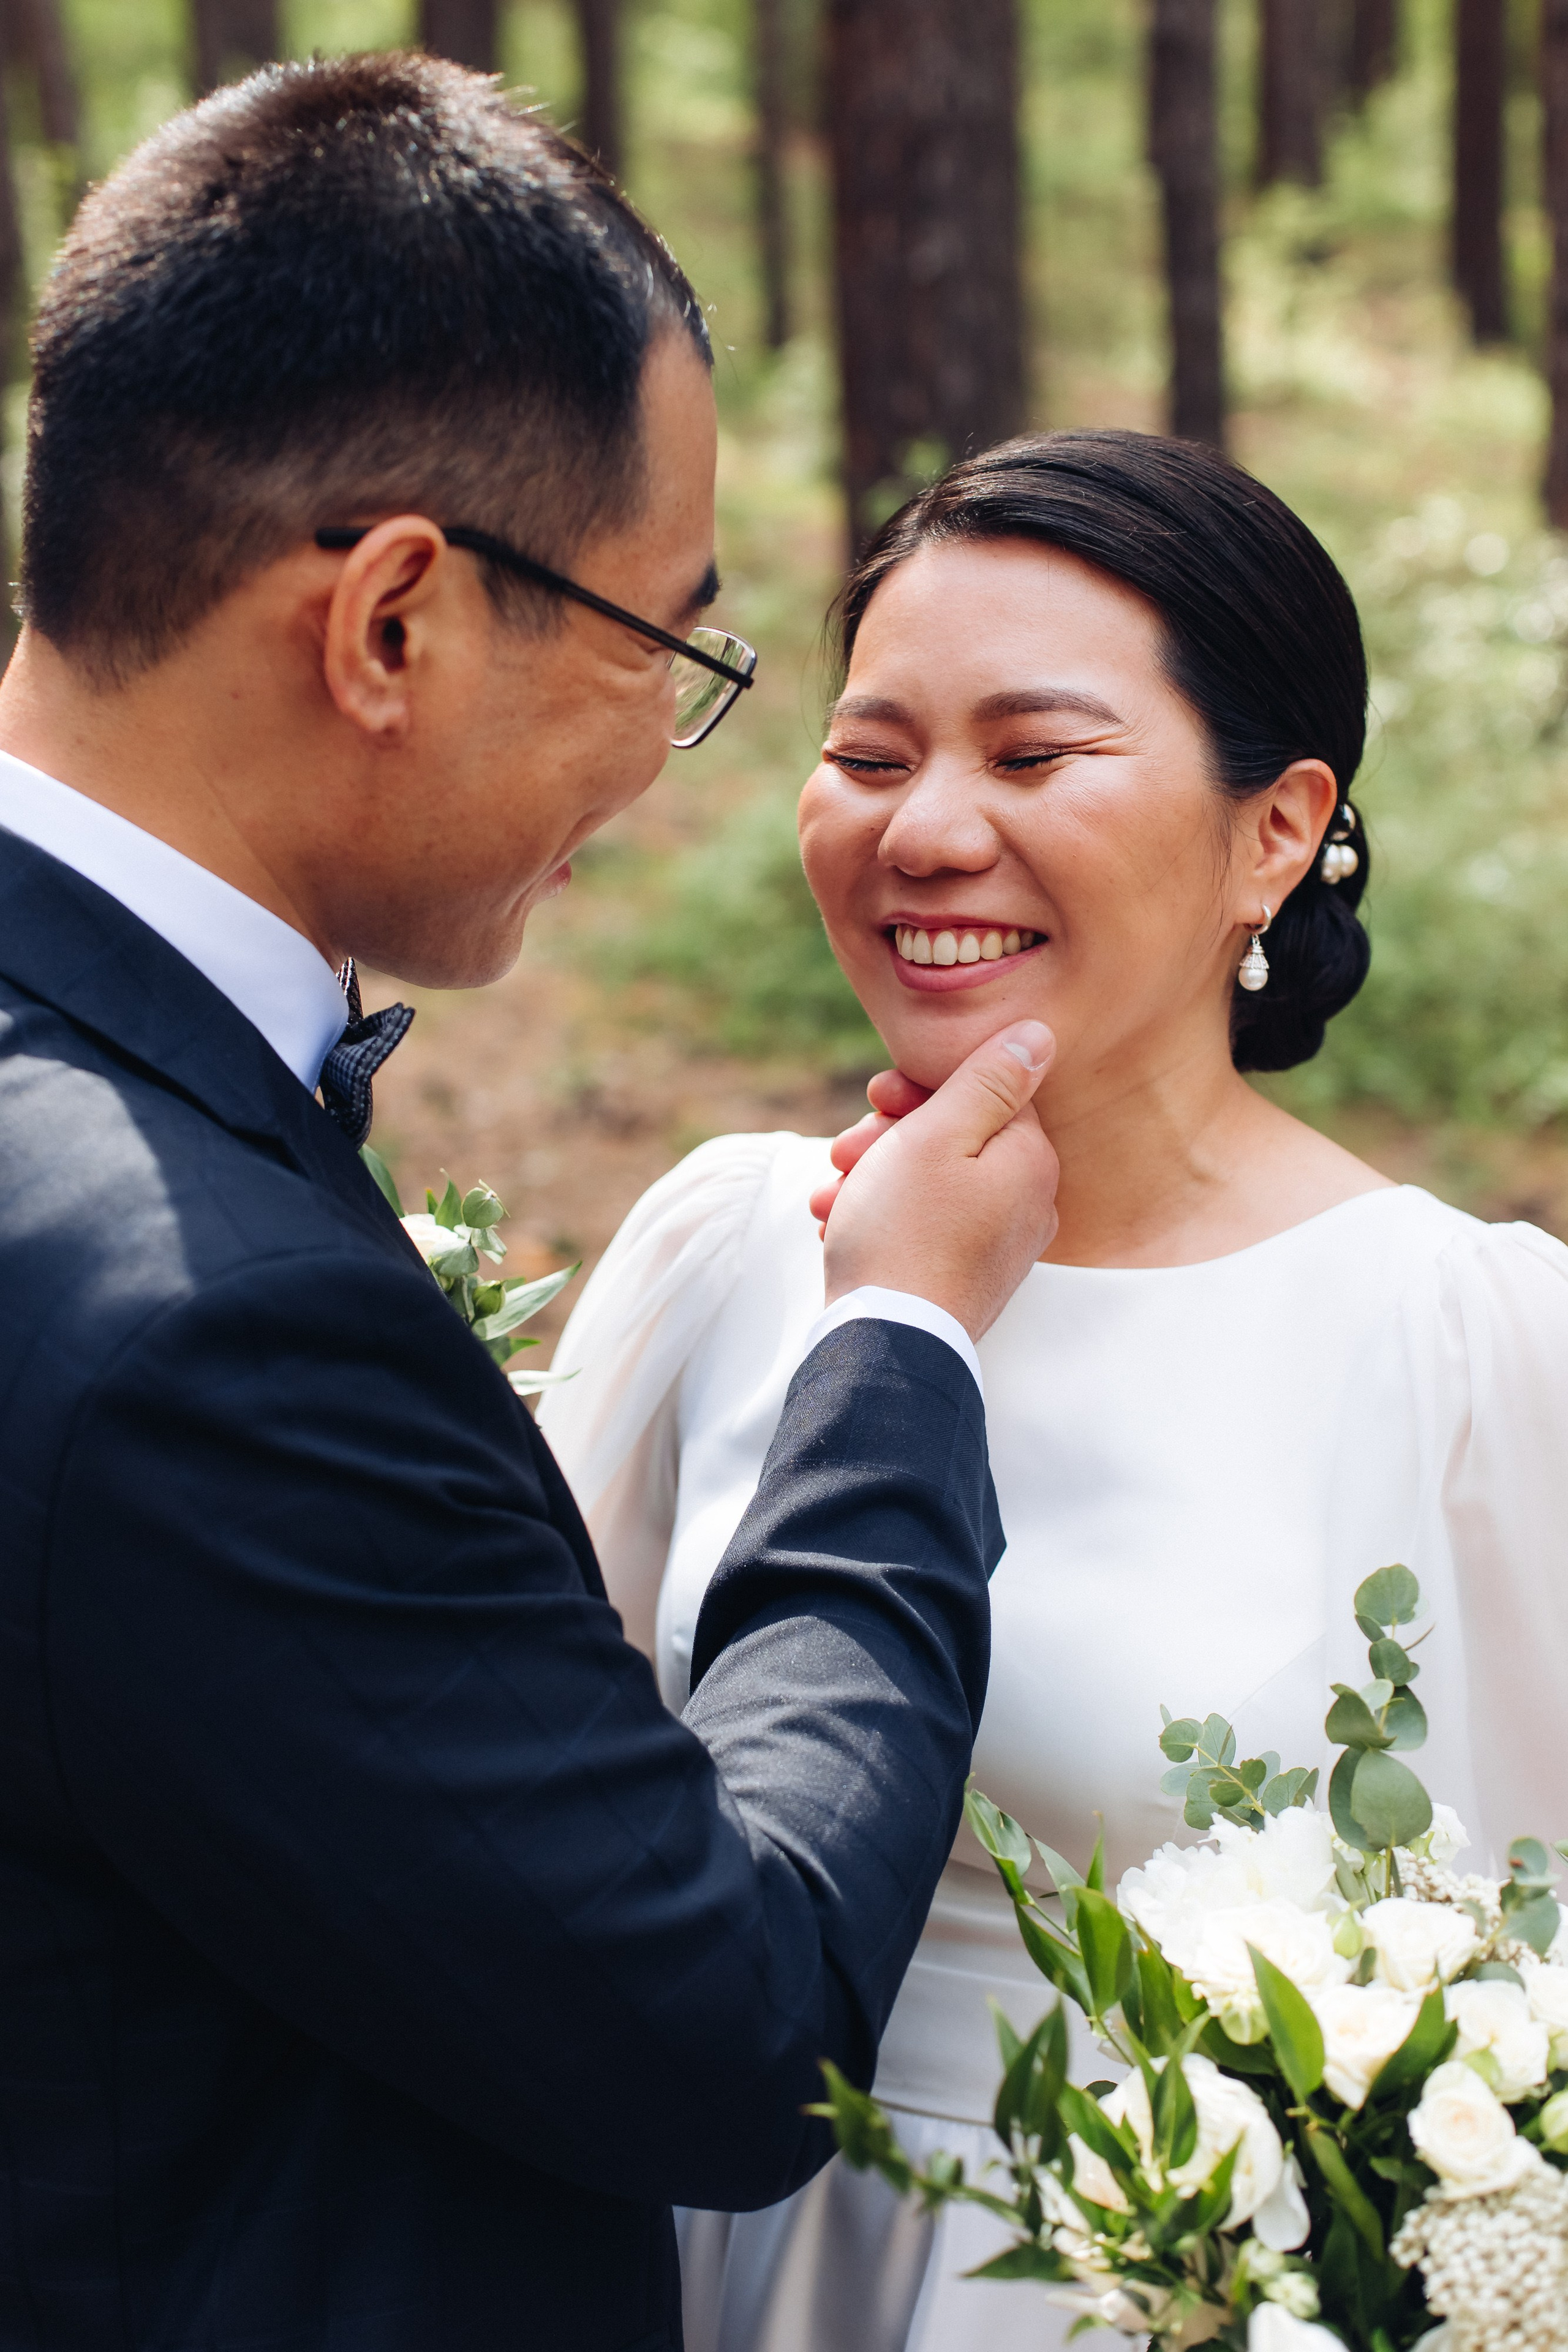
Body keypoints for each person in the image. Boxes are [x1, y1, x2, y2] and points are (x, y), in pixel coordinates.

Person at [0, 55, 1061, 2352]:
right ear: (394, 621)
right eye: (669, 653)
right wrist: (897, 1357)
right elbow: (727, 2012)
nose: (674, 778)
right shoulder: (206, 1324)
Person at [540, 428, 1568, 2352]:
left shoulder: (1469, 1342)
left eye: (1033, 756)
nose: (922, 830)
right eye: (867, 756)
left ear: (1279, 826)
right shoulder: (728, 1252)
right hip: (705, 2269)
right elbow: (526, 1842)